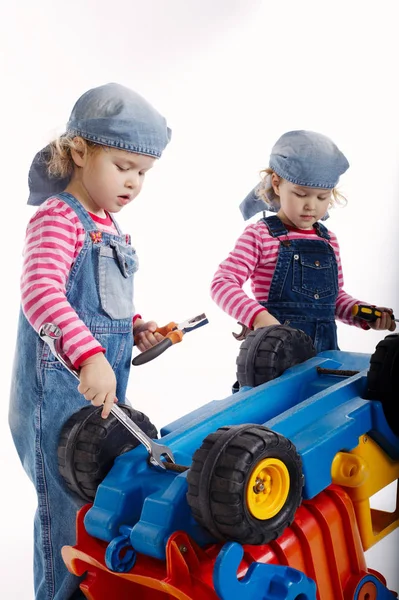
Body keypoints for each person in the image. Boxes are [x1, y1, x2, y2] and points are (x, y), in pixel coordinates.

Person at [9, 82, 171, 599]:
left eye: (143, 173)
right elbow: (40, 291)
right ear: (79, 152)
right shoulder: (59, 217)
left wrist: (137, 328)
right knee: (66, 514)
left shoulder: (109, 225)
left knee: (97, 506)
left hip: (98, 402)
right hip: (56, 402)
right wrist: (91, 354)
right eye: (123, 167)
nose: (134, 183)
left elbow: (99, 302)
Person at [211, 130, 395, 354]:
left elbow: (333, 299)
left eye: (322, 197)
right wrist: (258, 317)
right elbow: (222, 283)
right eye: (300, 194)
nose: (311, 206)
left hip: (325, 357)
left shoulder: (328, 241)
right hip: (273, 358)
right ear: (277, 184)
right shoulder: (260, 235)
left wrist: (362, 313)